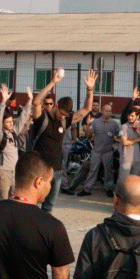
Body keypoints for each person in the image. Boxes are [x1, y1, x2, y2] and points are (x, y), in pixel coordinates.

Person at [31, 68, 96, 212]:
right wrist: (53, 82)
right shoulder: (43, 118)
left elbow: (86, 108)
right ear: (56, 106)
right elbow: (36, 103)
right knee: (33, 205)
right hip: (39, 170)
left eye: (65, 115)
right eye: (61, 113)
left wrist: (90, 90)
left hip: (57, 171)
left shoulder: (65, 120)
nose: (62, 116)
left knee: (48, 207)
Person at [0, 85, 32, 201]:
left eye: (11, 121)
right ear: (3, 123)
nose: (11, 123)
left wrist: (29, 100)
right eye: (8, 122)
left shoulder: (14, 131)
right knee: (2, 202)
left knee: (14, 201)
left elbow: (23, 117)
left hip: (14, 171)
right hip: (2, 172)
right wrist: (4, 101)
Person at [79, 103, 120, 197]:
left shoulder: (114, 124)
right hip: (96, 151)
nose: (108, 113)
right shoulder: (95, 122)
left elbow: (118, 134)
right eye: (106, 110)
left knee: (108, 171)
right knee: (93, 170)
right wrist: (88, 125)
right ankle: (87, 189)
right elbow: (89, 135)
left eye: (109, 111)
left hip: (108, 151)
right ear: (102, 111)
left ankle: (109, 188)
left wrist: (120, 136)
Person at [118, 108, 140, 181]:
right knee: (124, 179)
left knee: (135, 179)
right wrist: (137, 139)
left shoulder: (139, 127)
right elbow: (124, 142)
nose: (130, 118)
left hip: (136, 157)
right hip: (126, 157)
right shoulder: (123, 127)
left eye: (132, 116)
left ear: (137, 117)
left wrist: (138, 130)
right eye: (129, 115)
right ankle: (119, 192)